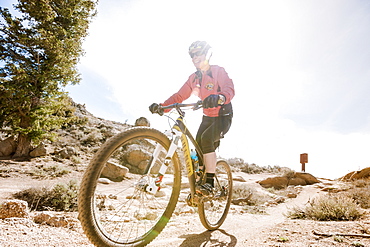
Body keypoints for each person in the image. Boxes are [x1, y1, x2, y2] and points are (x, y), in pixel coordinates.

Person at [149, 41, 235, 196]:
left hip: (223, 116)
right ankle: (200, 182)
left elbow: (229, 89)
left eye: (198, 53)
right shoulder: (194, 78)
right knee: (198, 145)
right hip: (207, 116)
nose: (195, 57)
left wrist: (220, 97)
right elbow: (179, 96)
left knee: (207, 139)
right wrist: (162, 107)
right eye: (192, 55)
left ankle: (209, 184)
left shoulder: (217, 71)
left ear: (207, 54)